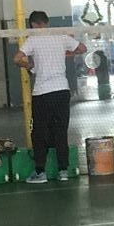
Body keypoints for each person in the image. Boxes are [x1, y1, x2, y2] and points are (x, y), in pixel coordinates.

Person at [15, 10, 85, 183]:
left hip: (42, 93)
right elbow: (83, 48)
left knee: (39, 133)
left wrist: (29, 66)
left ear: (33, 25)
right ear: (47, 22)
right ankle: (63, 171)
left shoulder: (33, 39)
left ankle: (40, 172)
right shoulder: (60, 36)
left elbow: (16, 58)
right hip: (62, 91)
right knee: (61, 131)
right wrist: (67, 53)